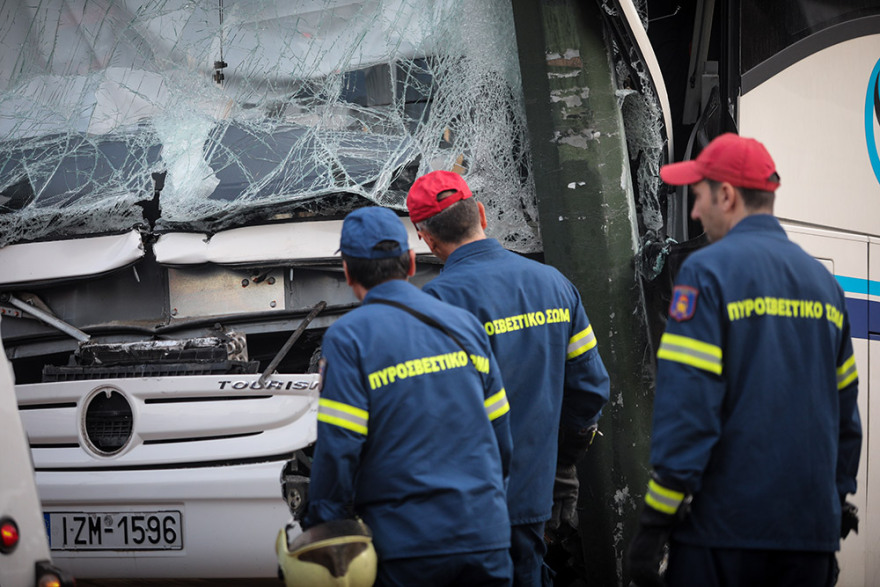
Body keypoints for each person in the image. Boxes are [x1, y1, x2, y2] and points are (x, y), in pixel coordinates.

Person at [627, 133, 862, 586]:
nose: (694, 213)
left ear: (727, 195)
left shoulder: (706, 273)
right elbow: (845, 417)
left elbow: (689, 411)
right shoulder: (824, 286)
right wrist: (835, 500)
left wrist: (654, 524)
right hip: (810, 538)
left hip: (724, 536)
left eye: (697, 197)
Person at [406, 170, 611, 586]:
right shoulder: (554, 285)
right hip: (535, 493)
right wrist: (557, 463)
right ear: (481, 213)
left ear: (425, 237)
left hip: (468, 507)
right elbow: (590, 390)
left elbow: (427, 417)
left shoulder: (432, 307)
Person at [301, 206, 515, 587]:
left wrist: (324, 526)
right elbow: (500, 434)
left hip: (406, 546)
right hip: (485, 536)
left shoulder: (349, 338)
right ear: (412, 262)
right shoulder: (463, 325)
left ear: (348, 272)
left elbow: (339, 446)